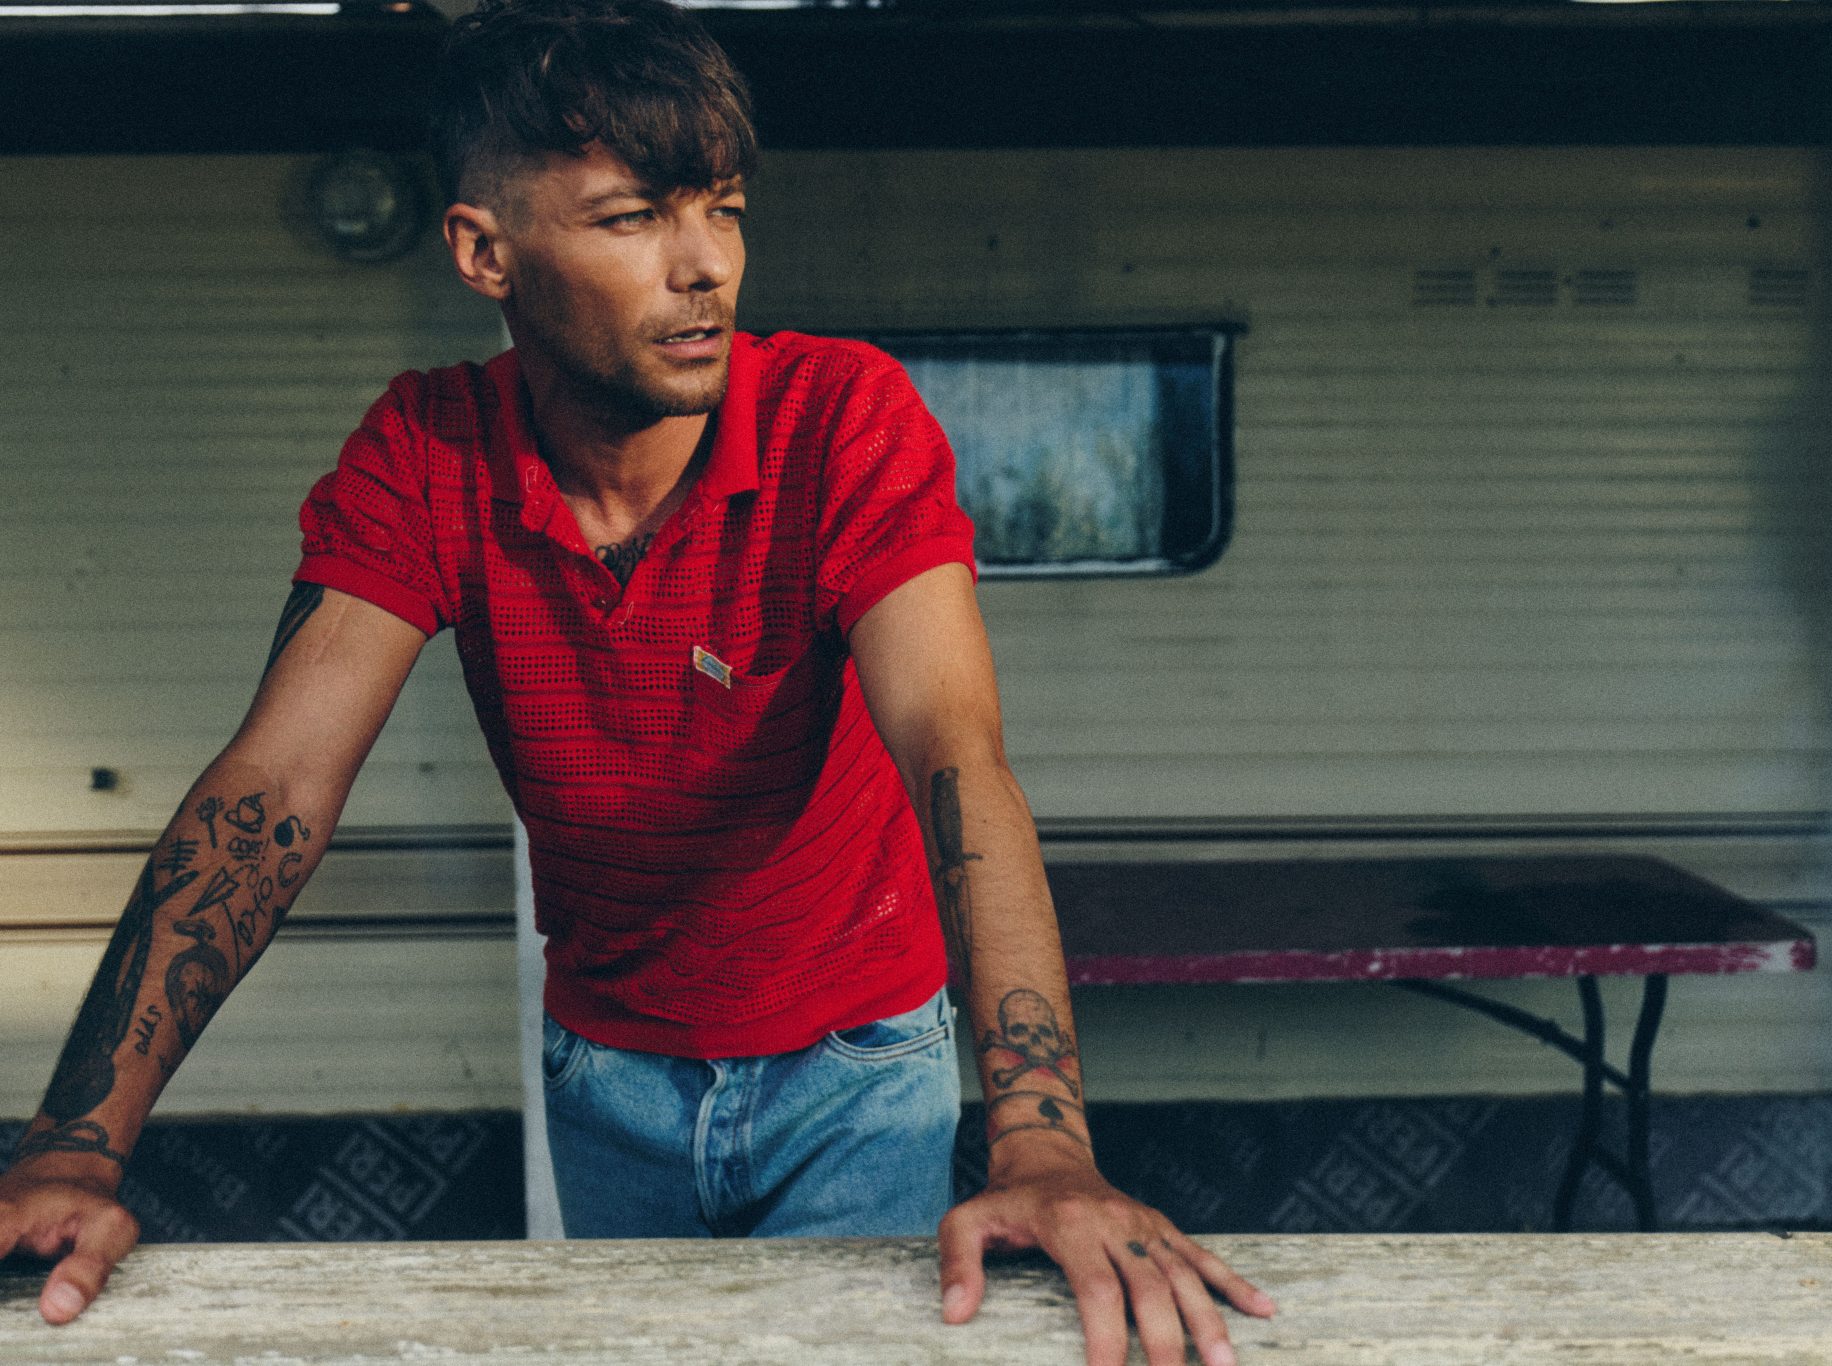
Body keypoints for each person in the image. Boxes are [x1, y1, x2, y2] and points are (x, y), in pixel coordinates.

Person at [0, 2, 1273, 1362]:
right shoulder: (427, 451)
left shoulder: (842, 418)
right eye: (631, 219)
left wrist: (1044, 1144)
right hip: (606, 1066)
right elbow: (273, 788)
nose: (705, 264)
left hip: (857, 1059)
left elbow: (956, 755)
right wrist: (74, 1149)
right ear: (485, 252)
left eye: (723, 209)